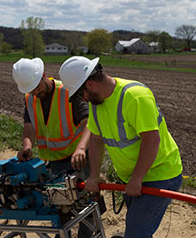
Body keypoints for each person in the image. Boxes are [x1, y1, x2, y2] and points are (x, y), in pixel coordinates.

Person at [59, 56, 183, 238]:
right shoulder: (96, 105)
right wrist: (94, 175)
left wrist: (137, 178)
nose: (82, 100)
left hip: (159, 175)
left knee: (136, 233)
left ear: (90, 85)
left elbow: (151, 140)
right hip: (131, 178)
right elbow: (96, 139)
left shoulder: (134, 96)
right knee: (136, 228)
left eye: (80, 95)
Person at [12, 57, 92, 237]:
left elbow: (90, 123)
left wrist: (81, 148)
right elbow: (28, 126)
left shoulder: (67, 91)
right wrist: (27, 146)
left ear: (44, 76)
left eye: (36, 87)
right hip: (54, 162)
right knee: (60, 207)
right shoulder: (30, 98)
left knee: (85, 206)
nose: (34, 92)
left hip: (79, 158)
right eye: (30, 89)